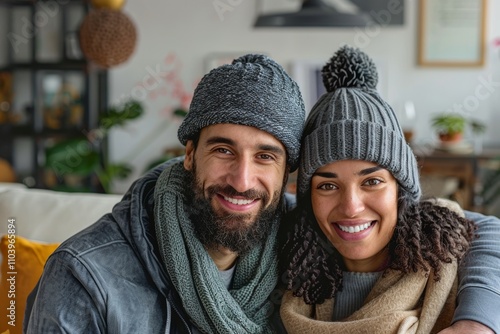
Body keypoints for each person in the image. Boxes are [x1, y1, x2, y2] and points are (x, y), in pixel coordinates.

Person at [23, 52, 499, 334]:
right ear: (189, 153)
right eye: (223, 149)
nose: (242, 179)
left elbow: (475, 227)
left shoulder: (295, 228)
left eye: (266, 155)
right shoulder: (87, 274)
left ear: (289, 174)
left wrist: (476, 319)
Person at [279, 46, 500, 333]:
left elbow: (488, 228)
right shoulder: (290, 267)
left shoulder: (449, 255)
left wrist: (476, 321)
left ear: (400, 189)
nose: (351, 207)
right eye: (328, 185)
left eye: (371, 181)